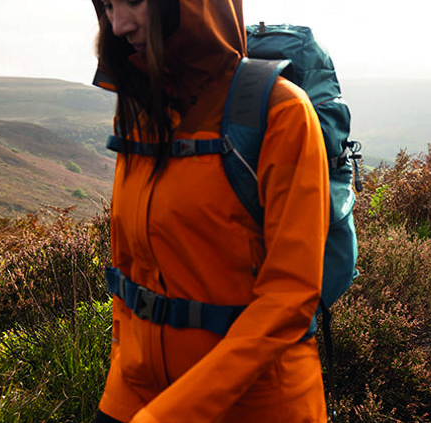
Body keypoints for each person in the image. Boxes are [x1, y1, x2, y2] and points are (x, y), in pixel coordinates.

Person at [90, 0, 329, 422]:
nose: (119, 24)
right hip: (138, 394)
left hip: (259, 406)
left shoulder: (282, 111)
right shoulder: (140, 113)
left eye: (133, 1)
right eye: (107, 5)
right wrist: (122, 395)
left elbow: (289, 296)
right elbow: (129, 277)